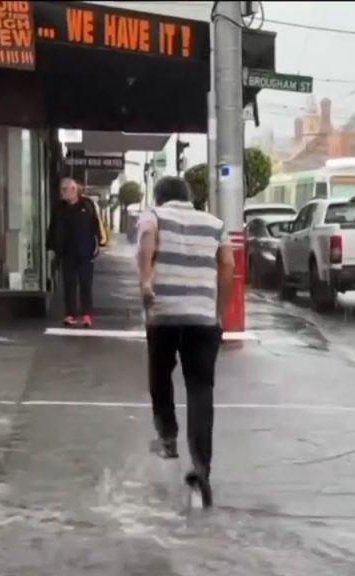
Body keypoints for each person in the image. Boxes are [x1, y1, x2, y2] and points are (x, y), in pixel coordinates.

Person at [136, 176, 234, 507]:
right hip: (203, 319)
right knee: (200, 389)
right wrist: (218, 313)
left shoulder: (154, 215)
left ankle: (168, 437)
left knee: (159, 375)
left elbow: (147, 238)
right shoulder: (215, 224)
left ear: (160, 197)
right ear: (189, 197)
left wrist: (146, 280)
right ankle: (201, 468)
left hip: (164, 314)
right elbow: (228, 266)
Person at [46, 177, 107, 327]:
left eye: (64, 190)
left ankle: (87, 314)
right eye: (61, 190)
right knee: (69, 284)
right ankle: (70, 314)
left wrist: (100, 243)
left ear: (73, 190)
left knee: (86, 284)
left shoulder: (87, 204)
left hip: (85, 252)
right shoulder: (59, 207)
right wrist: (51, 247)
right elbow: (53, 227)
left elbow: (96, 223)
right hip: (66, 252)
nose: (62, 193)